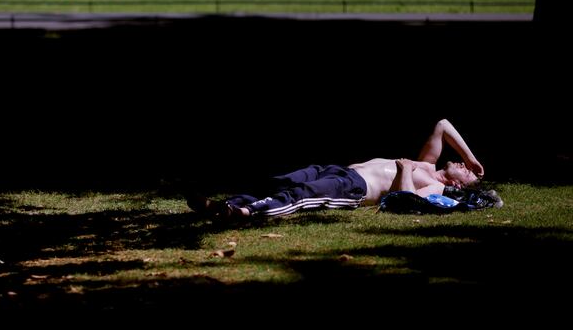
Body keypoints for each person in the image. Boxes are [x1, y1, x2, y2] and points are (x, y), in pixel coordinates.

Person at [187, 119, 484, 221]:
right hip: (338, 170)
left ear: (459, 186)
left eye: (467, 172)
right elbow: (443, 125)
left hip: (353, 189)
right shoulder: (429, 164)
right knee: (280, 182)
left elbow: (406, 202)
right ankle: (225, 205)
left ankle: (245, 214)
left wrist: (405, 171)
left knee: (303, 194)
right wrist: (470, 158)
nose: (463, 166)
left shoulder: (436, 186)